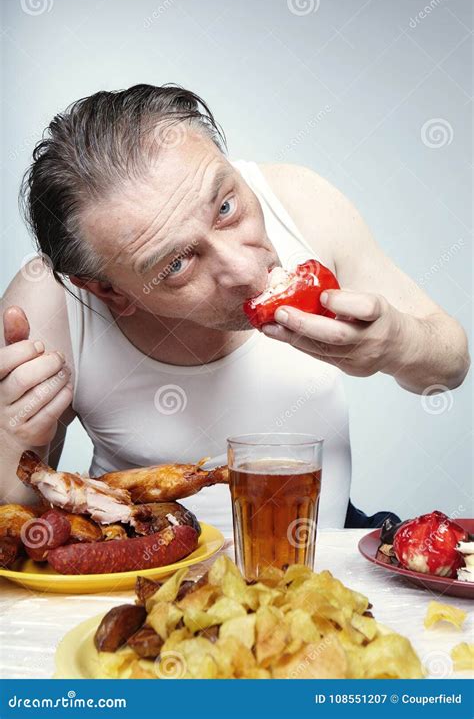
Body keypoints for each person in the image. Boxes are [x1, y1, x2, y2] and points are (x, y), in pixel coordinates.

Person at [0, 84, 470, 530]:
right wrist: (12, 440)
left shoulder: (300, 200)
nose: (246, 271)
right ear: (109, 292)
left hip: (325, 554)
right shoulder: (50, 301)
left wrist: (398, 344)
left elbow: (450, 366)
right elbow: (21, 529)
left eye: (225, 208)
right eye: (177, 263)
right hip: (148, 578)